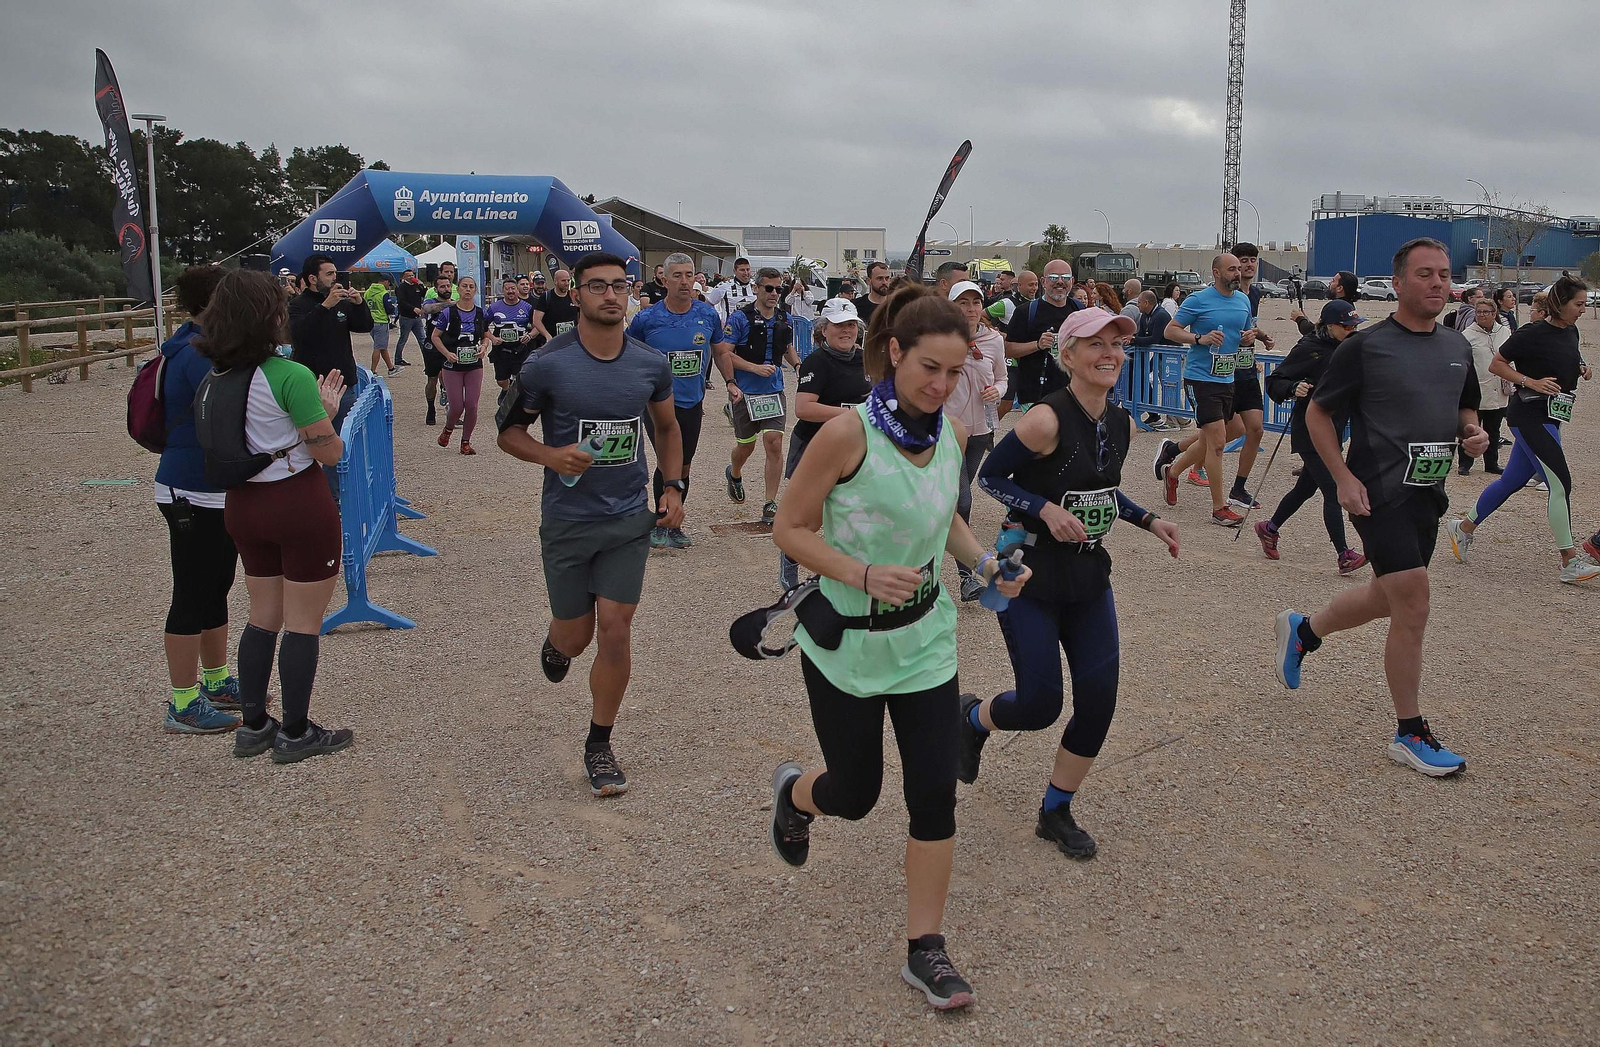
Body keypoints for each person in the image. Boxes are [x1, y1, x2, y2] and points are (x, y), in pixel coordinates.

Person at [767, 284, 1030, 1011]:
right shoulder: (848, 433)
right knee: (856, 795)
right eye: (931, 369)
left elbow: (942, 516)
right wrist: (857, 572)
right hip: (847, 646)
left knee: (933, 796)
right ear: (895, 353)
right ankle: (794, 794)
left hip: (924, 643)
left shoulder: (943, 431)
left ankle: (927, 949)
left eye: (954, 373)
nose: (944, 386)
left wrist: (982, 564)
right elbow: (790, 527)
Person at [965, 307, 1180, 858]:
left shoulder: (1122, 421)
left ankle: (1056, 810)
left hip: (1087, 576)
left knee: (1099, 701)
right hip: (1028, 574)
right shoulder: (1044, 419)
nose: (1110, 353)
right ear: (1068, 357)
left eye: (1117, 344)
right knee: (1038, 705)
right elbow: (990, 477)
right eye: (1095, 344)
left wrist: (1149, 520)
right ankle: (971, 719)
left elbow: (1102, 492)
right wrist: (1042, 508)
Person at [1275, 238, 1488, 778]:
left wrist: (1471, 430)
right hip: (1377, 490)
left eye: (1444, 275)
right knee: (1414, 599)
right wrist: (1342, 478)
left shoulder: (1457, 347)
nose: (1438, 283)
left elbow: (1465, 402)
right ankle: (1409, 732)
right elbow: (1320, 416)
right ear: (1396, 283)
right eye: (1425, 274)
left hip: (1429, 491)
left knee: (1388, 595)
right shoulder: (1363, 347)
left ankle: (1304, 631)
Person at [496, 252, 684, 798]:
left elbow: (668, 429)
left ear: (630, 293)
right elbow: (508, 433)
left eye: (618, 286)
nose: (609, 295)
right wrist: (551, 456)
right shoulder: (546, 365)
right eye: (596, 286)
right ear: (574, 294)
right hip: (568, 521)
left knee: (617, 628)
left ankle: (599, 742)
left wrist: (672, 488)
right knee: (576, 637)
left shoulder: (650, 364)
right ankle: (558, 644)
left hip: (628, 518)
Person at [197, 269, 354, 763]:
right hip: (297, 502)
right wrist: (327, 410)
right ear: (271, 317)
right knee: (303, 621)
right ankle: (296, 730)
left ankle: (253, 723)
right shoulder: (290, 375)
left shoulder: (213, 377)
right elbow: (330, 452)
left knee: (261, 616)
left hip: (244, 504)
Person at [1445, 276, 1598, 584]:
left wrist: (1581, 369)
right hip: (1529, 414)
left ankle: (1463, 527)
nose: (1584, 309)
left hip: (1551, 416)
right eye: (1579, 304)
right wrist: (1530, 382)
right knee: (1560, 484)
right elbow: (1497, 364)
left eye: (1585, 304)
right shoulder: (1531, 332)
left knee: (1512, 480)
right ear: (1561, 303)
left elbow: (1566, 358)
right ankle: (1569, 561)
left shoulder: (1571, 330)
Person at [154, 265, 242, 735]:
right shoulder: (193, 353)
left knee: (217, 585)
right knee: (191, 592)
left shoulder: (202, 346)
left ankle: (216, 679)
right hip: (189, 488)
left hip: (213, 489)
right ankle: (183, 701)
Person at [1252, 300, 1369, 575]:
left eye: (1355, 325)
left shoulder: (1352, 347)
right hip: (1310, 430)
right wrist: (1294, 386)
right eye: (1347, 326)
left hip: (1336, 428)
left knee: (1306, 488)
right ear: (1330, 326)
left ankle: (1269, 528)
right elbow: (1274, 381)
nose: (1353, 330)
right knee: (1332, 488)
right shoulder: (1309, 348)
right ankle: (1344, 554)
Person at [625, 252, 727, 550]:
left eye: (689, 274)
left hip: (691, 401)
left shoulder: (707, 314)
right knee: (666, 462)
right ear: (665, 279)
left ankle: (675, 523)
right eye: (678, 276)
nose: (685, 281)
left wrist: (731, 382)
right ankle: (661, 523)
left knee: (684, 466)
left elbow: (720, 351)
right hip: (656, 403)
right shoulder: (646, 318)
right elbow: (630, 356)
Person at [1153, 253, 1255, 526]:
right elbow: (1170, 331)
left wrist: (1251, 337)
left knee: (1234, 431)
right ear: (1217, 273)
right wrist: (1199, 338)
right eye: (1232, 269)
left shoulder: (1243, 300)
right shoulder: (1198, 300)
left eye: (1239, 269)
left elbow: (1246, 332)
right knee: (1218, 442)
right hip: (1201, 379)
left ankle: (1173, 471)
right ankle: (1219, 508)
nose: (1238, 273)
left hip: (1228, 377)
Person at [779, 297, 871, 590]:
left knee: (854, 512)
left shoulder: (867, 359)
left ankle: (842, 571)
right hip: (815, 446)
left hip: (855, 448)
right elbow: (804, 408)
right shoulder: (816, 361)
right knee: (810, 519)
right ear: (824, 329)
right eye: (838, 325)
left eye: (850, 325)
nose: (846, 331)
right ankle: (791, 558)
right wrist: (850, 414)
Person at [716, 267, 799, 527]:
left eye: (779, 289)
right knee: (746, 446)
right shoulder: (740, 318)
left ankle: (770, 503)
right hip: (745, 392)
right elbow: (725, 353)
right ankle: (735, 472)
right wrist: (753, 369)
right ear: (757, 288)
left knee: (774, 442)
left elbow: (785, 347)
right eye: (769, 288)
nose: (775, 293)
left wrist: (797, 366)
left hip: (773, 391)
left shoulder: (784, 319)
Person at [945, 280, 1009, 601]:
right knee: (963, 500)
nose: (970, 309)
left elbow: (1002, 377)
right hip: (945, 431)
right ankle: (966, 575)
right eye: (962, 303)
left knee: (955, 501)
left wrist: (997, 391)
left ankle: (953, 562)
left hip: (981, 429)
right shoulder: (941, 338)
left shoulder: (994, 341)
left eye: (975, 303)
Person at [1005, 259, 1081, 408]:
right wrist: (1037, 345)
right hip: (1035, 394)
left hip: (1073, 392)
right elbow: (1008, 350)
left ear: (1072, 281)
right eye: (1053, 277)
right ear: (1043, 281)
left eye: (1065, 277)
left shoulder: (1079, 309)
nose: (1060, 282)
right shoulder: (1026, 311)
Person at [431, 276, 491, 455]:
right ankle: (448, 429)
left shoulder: (480, 313)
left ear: (475, 290)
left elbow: (486, 335)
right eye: (464, 286)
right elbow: (435, 336)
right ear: (458, 289)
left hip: (474, 363)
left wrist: (484, 346)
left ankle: (466, 441)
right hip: (453, 365)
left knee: (472, 404)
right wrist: (446, 354)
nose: (468, 289)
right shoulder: (448, 313)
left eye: (471, 287)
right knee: (457, 406)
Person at [1455, 296, 1511, 475]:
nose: (1481, 315)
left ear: (1494, 314)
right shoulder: (1467, 335)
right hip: (1476, 390)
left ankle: (1491, 463)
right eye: (1478, 312)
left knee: (1493, 430)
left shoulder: (1504, 332)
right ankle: (1465, 463)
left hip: (1498, 389)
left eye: (1485, 312)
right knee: (1470, 428)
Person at [420, 271, 459, 425]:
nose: (446, 289)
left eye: (448, 286)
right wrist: (449, 305)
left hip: (449, 346)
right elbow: (428, 310)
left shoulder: (456, 303)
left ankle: (452, 410)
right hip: (432, 347)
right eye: (442, 287)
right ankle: (431, 407)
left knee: (450, 377)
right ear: (436, 289)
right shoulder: (431, 301)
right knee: (432, 379)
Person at [487, 276, 536, 392]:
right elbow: (483, 327)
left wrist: (529, 335)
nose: (510, 291)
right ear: (503, 290)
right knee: (501, 380)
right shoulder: (494, 307)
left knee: (520, 378)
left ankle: (514, 400)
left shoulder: (527, 307)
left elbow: (537, 326)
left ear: (517, 289)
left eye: (513, 288)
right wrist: (492, 338)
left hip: (520, 348)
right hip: (501, 350)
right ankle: (506, 390)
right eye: (507, 289)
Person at [1291, 271, 1357, 335]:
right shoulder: (1349, 307)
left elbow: (1315, 334)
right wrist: (1305, 319)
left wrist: (1299, 318)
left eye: (1333, 281)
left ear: (1339, 288)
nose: (1330, 283)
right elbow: (1320, 329)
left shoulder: (1336, 308)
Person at [533, 268, 580, 344]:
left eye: (568, 280)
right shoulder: (546, 297)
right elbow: (536, 321)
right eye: (563, 280)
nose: (567, 283)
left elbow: (580, 317)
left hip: (571, 341)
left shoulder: (573, 296)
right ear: (555, 282)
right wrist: (547, 335)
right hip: (553, 342)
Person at [363, 275, 398, 376]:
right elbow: (389, 309)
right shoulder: (384, 294)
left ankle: (391, 368)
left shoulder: (367, 292)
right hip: (381, 321)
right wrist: (392, 308)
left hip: (370, 321)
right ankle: (372, 371)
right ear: (385, 282)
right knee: (378, 347)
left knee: (382, 346)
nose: (389, 286)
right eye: (389, 284)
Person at [393, 269, 427, 367]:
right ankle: (398, 359)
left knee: (422, 339)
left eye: (412, 275)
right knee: (403, 338)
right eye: (409, 276)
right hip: (406, 317)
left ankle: (427, 357)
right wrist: (413, 308)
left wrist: (422, 285)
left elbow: (424, 294)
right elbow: (402, 302)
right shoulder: (401, 287)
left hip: (417, 318)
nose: (411, 277)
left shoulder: (416, 286)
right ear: (404, 277)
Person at [856, 259, 891, 329]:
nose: (884, 282)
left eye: (887, 278)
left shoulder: (898, 306)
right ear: (869, 281)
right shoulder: (856, 306)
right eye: (880, 278)